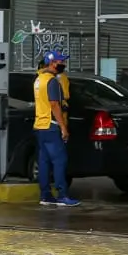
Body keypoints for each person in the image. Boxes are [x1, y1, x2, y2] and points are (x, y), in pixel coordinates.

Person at [34, 51, 80, 207]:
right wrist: (63, 127)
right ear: (52, 63)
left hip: (40, 126)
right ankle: (62, 195)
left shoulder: (39, 79)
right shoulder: (52, 81)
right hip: (51, 126)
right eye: (61, 61)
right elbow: (54, 105)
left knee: (44, 162)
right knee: (60, 161)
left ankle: (45, 195)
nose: (64, 64)